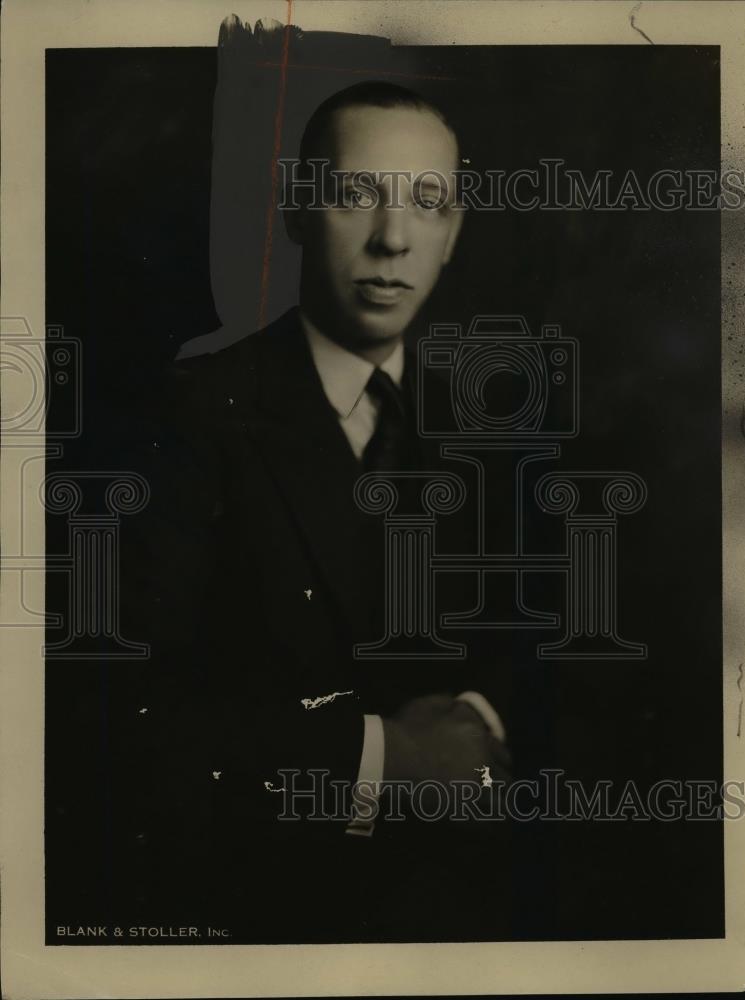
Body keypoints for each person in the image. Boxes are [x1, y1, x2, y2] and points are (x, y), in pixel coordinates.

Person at [122, 81, 518, 943]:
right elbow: (130, 717)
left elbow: (562, 660)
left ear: (453, 233)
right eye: (354, 196)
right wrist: (392, 760)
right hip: (254, 926)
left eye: (429, 203)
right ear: (298, 213)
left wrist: (478, 728)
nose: (393, 239)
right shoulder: (188, 415)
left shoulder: (494, 421)